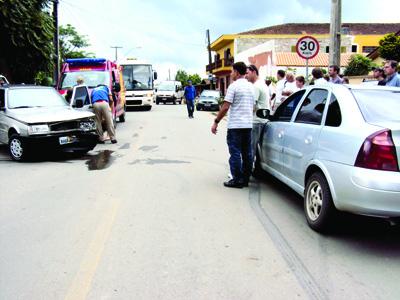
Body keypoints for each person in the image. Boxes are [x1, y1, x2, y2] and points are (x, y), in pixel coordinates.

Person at [211, 62, 254, 188]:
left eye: (232, 71)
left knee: (235, 152)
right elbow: (253, 106)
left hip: (235, 126)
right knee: (247, 153)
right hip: (247, 125)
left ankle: (237, 180)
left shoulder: (233, 86)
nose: (231, 73)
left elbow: (225, 107)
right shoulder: (251, 87)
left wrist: (216, 122)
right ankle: (246, 179)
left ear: (236, 72)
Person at [245, 64, 270, 165]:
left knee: (250, 148)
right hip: (262, 120)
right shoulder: (262, 84)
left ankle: (245, 174)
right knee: (254, 148)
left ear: (254, 72)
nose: (245, 76)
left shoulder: (256, 86)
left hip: (256, 121)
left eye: (247, 73)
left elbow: (252, 106)